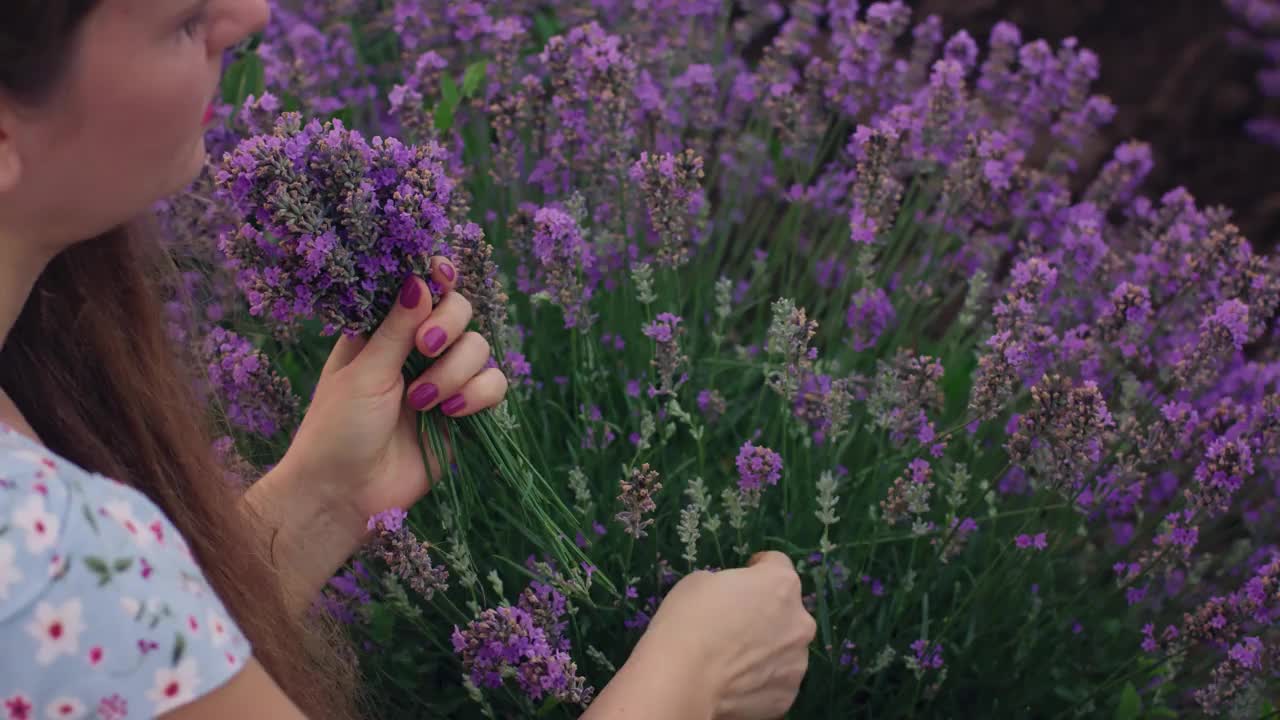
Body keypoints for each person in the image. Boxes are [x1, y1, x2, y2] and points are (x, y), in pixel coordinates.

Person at [0, 1, 817, 718]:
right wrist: (695, 670)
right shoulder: (46, 551)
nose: (249, 14)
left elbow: (101, 668)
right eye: (180, 19)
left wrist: (324, 496)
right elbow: (79, 599)